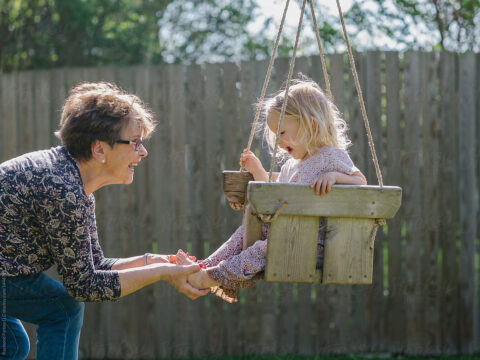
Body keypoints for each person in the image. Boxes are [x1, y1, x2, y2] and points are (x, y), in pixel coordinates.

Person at [0, 82, 208, 360]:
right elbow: (84, 286)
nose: (143, 152)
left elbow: (95, 265)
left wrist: (155, 261)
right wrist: (162, 274)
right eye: (134, 142)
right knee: (63, 309)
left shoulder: (75, 186)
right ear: (99, 149)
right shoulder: (62, 188)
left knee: (11, 345)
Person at [171, 76, 367, 303]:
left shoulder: (331, 156)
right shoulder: (292, 164)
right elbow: (273, 196)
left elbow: (360, 181)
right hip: (284, 235)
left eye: (282, 133)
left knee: (261, 250)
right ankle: (201, 268)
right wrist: (257, 171)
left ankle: (209, 277)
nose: (278, 142)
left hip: (313, 244)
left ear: (311, 124)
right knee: (241, 236)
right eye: (275, 135)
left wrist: (334, 176)